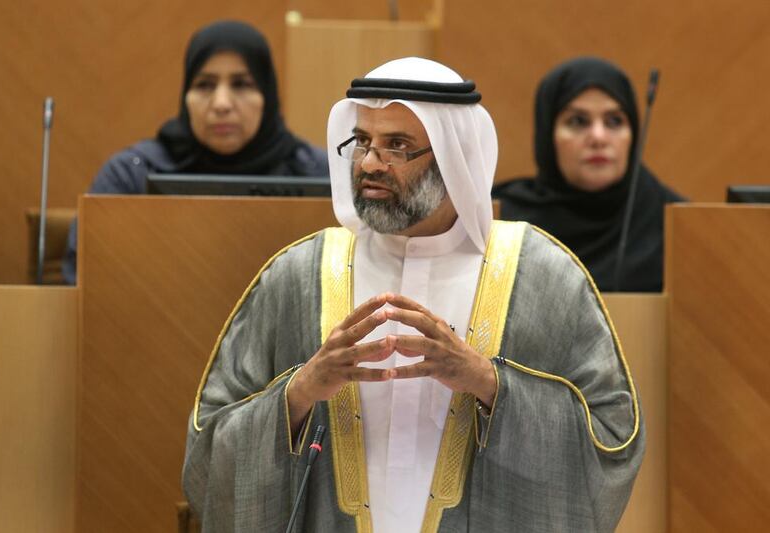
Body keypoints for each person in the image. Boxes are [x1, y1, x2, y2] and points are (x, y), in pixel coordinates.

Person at [183, 57, 644, 532]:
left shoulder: (544, 277)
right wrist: (301, 392)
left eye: (397, 146)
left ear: (452, 154)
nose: (368, 164)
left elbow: (612, 441)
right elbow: (207, 450)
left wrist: (487, 383)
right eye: (362, 142)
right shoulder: (297, 276)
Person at [61, 20, 328, 284]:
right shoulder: (132, 174)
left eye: (241, 84)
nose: (221, 103)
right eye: (205, 85)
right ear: (186, 95)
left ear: (266, 96)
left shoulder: (318, 173)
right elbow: (83, 278)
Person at [492, 56, 684, 292]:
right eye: (578, 121)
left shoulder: (675, 224)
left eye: (614, 121)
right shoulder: (502, 224)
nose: (598, 137)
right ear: (547, 136)